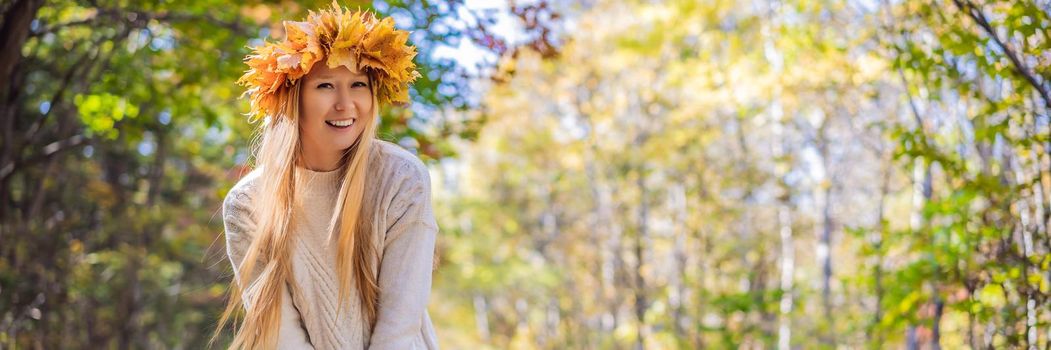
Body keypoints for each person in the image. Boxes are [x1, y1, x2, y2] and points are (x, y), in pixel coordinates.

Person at [211, 3, 438, 349]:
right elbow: (280, 334)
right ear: (293, 98)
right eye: (325, 86)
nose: (346, 104)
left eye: (358, 85)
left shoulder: (402, 179)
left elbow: (399, 324)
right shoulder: (248, 203)